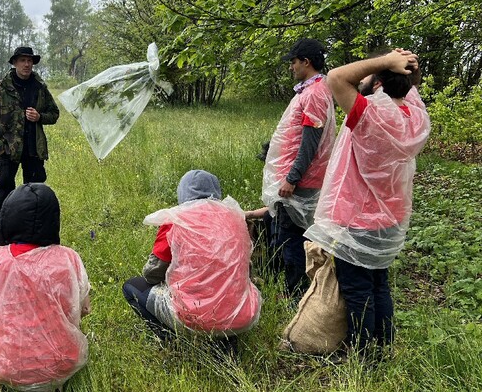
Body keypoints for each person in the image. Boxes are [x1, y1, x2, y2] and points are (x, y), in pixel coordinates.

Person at [305, 49, 430, 357]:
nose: (362, 77)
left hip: (358, 220)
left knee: (359, 291)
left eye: (370, 75)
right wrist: (400, 68)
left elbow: (336, 77)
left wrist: (385, 61)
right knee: (378, 285)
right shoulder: (414, 117)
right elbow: (404, 88)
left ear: (377, 84)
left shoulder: (370, 116)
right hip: (391, 219)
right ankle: (383, 347)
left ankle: (364, 356)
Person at [0, 183, 90, 392]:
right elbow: (83, 307)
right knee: (61, 339)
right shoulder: (69, 259)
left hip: (6, 365)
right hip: (59, 362)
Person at [122, 170, 262, 348]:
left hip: (193, 318)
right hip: (242, 316)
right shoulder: (236, 219)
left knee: (131, 287)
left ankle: (171, 340)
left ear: (182, 193)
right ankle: (227, 340)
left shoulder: (175, 220)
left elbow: (151, 274)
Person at [261, 38, 336, 297]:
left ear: (306, 62)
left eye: (293, 62)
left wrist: (292, 177)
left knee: (291, 238)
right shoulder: (311, 90)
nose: (291, 66)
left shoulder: (315, 94)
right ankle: (292, 284)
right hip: (299, 176)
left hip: (300, 181)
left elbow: (310, 142)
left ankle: (293, 292)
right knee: (288, 231)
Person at [0, 47, 60, 227]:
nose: (27, 64)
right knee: (4, 191)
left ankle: (33, 230)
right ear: (15, 63)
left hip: (33, 149)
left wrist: (40, 117)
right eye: (23, 60)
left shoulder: (40, 87)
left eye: (30, 61)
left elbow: (54, 113)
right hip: (9, 149)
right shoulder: (2, 88)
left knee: (34, 193)